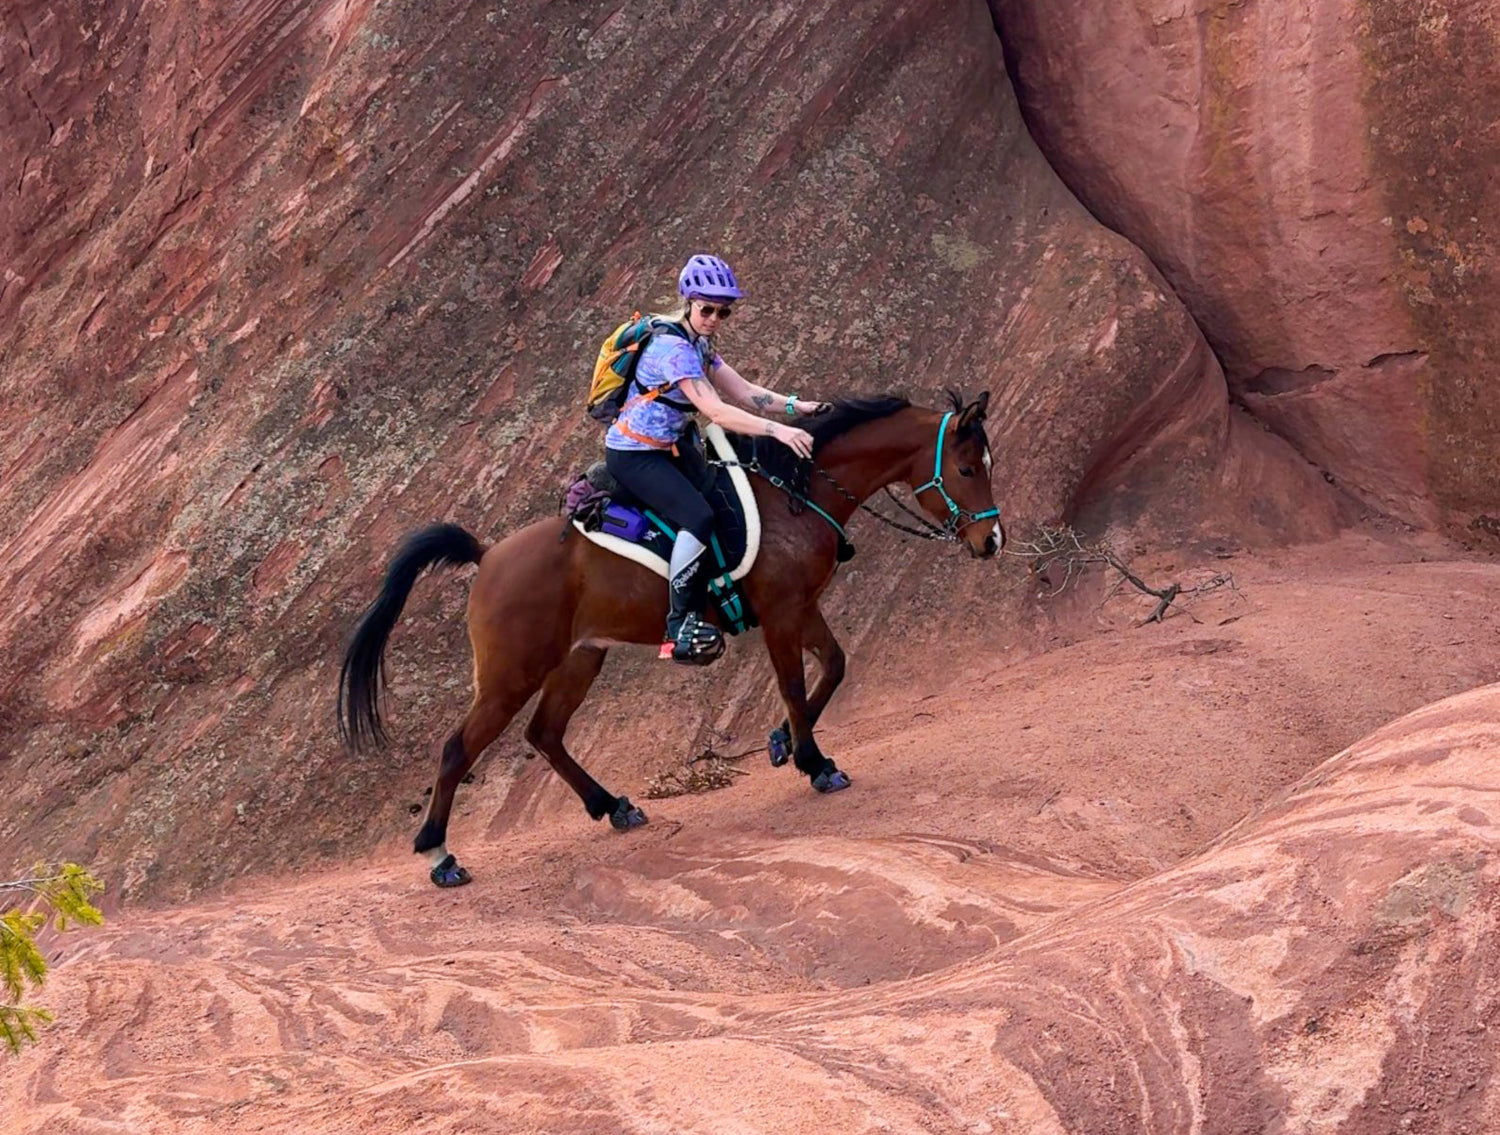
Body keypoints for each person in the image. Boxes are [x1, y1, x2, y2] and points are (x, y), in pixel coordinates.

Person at [604, 254, 829, 664]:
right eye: (706, 309)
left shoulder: (699, 343)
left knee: (725, 496)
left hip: (673, 447)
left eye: (723, 312)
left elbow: (743, 392)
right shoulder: (674, 349)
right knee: (699, 517)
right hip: (636, 456)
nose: (713, 319)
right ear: (688, 302)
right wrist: (778, 430)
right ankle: (679, 625)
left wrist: (798, 407)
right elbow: (718, 412)